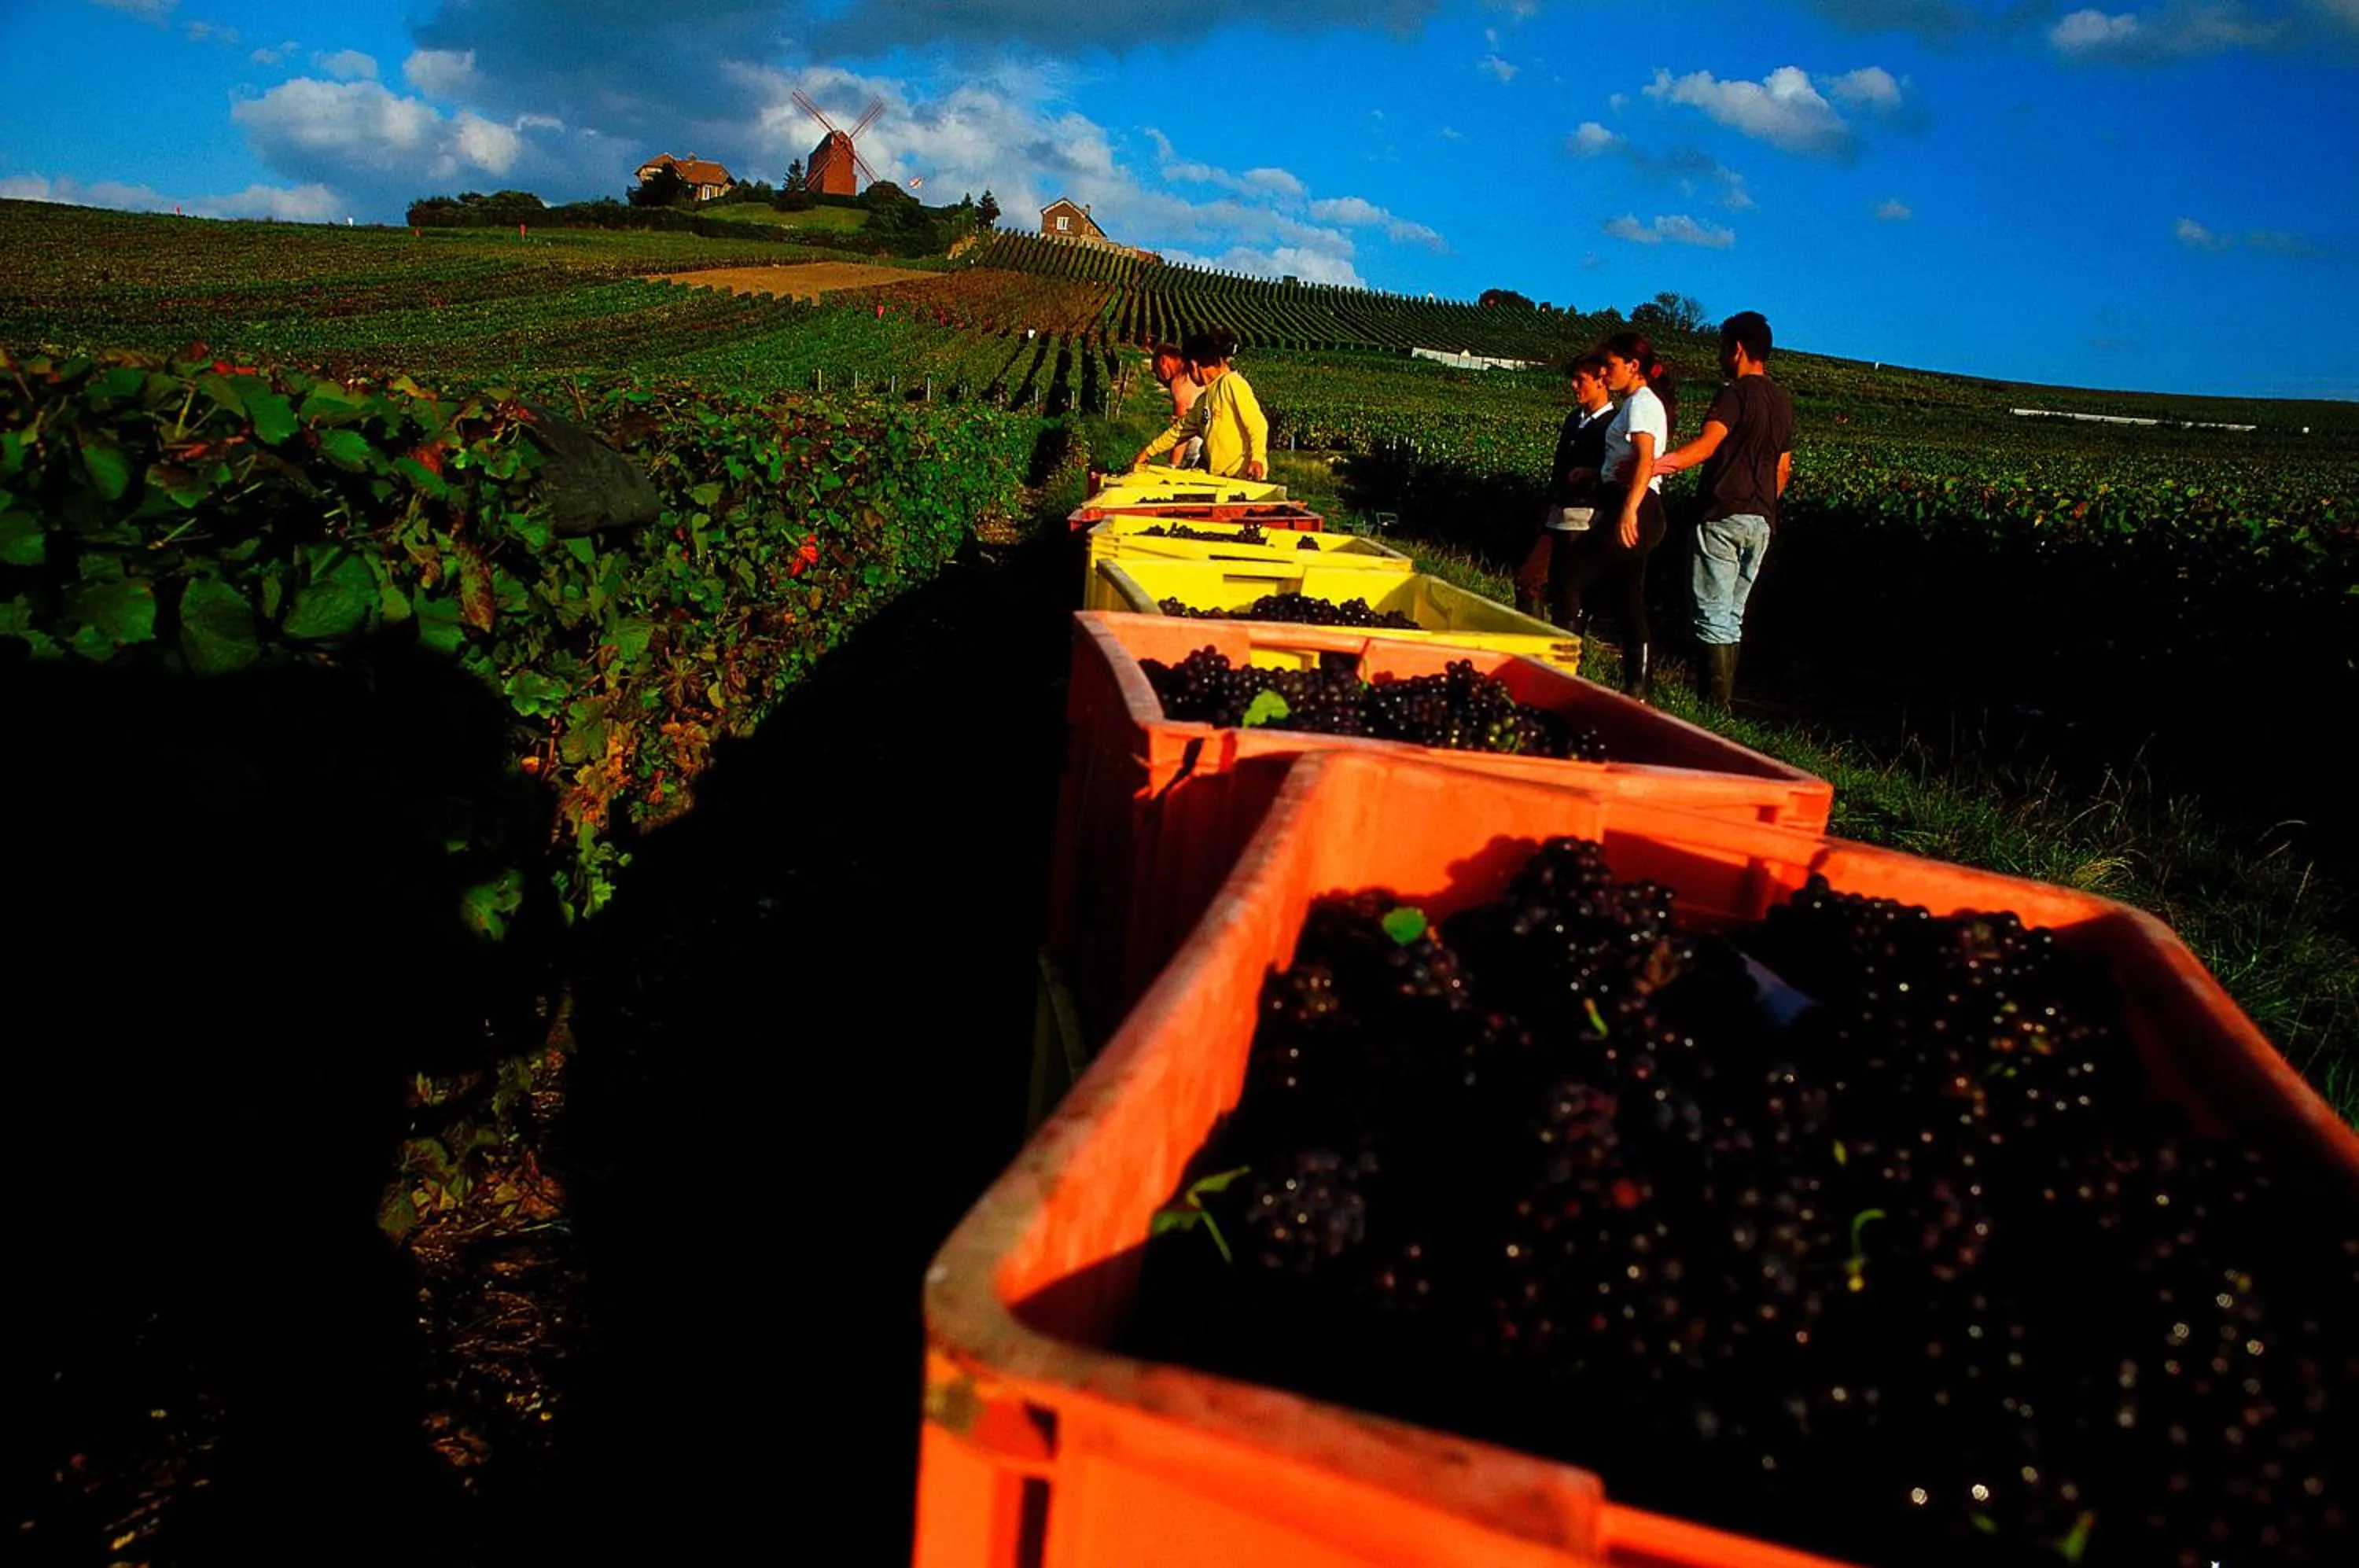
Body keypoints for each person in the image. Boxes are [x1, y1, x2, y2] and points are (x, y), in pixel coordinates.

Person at [1651, 310, 1794, 712]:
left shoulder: (1734, 394)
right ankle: (1721, 709)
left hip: (1723, 512)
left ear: (1737, 349)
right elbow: (1783, 469)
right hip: (1762, 519)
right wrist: (1762, 504)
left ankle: (1712, 710)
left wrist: (1656, 465)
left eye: (1722, 348)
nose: (1719, 356)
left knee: (1711, 614)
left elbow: (1707, 445)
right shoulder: (1782, 402)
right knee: (1733, 614)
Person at [1556, 331, 1676, 700]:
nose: (1605, 373)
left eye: (1610, 365)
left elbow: (1645, 459)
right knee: (1628, 598)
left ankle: (1562, 670)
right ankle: (1638, 689)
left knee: (1571, 577)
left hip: (1635, 506)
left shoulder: (1641, 403)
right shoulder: (1637, 404)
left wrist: (1628, 511)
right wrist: (1595, 473)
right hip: (1632, 503)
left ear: (1633, 366)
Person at [1514, 354, 1614, 630]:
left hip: (1584, 518)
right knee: (1528, 580)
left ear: (1601, 381)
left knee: (1568, 590)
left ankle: (1566, 645)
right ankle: (1534, 641)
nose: (1573, 385)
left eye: (1581, 380)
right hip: (1557, 514)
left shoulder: (1612, 425)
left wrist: (1591, 476)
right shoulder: (1574, 419)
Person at [1133, 329, 1268, 480]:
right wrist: (1148, 452)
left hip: (1245, 477)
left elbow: (1258, 424)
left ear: (1193, 365)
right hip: (1222, 479)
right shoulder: (1203, 401)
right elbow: (1179, 431)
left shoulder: (1231, 384)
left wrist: (1257, 458)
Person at [1147, 341, 1205, 469]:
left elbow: (1181, 432)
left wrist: (1172, 466)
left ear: (1163, 360)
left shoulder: (1180, 381)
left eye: (1157, 371)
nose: (1159, 378)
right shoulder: (1194, 371)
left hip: (1200, 449)